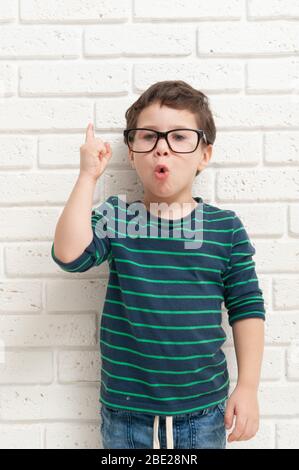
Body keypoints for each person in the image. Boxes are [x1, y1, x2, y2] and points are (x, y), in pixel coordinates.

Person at [51, 80, 266, 449]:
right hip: (125, 414)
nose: (162, 149)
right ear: (131, 153)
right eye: (148, 137)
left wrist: (248, 387)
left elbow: (246, 307)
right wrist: (88, 175)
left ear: (204, 154)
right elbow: (70, 255)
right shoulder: (117, 217)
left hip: (204, 413)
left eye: (179, 138)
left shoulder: (224, 228)